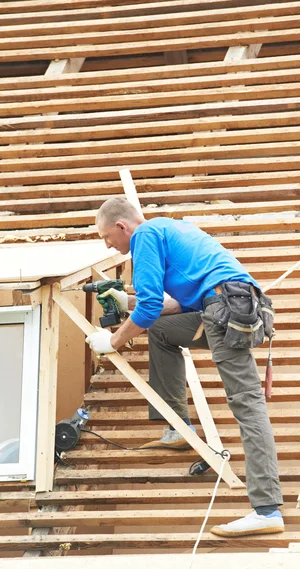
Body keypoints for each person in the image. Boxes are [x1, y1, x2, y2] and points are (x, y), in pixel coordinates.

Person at [85, 197, 284, 538]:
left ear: (122, 226)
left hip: (225, 309)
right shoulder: (173, 228)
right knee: (162, 333)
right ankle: (177, 426)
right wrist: (126, 303)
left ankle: (266, 510)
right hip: (231, 304)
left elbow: (149, 308)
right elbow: (176, 306)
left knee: (248, 405)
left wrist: (113, 341)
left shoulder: (145, 235)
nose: (109, 246)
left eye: (107, 237)